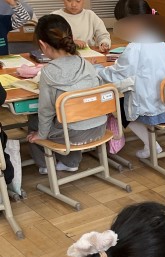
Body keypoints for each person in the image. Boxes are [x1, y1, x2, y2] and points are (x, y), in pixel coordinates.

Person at [95, 0, 165, 159]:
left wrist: (97, 70)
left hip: (156, 111)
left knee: (120, 109)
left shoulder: (136, 46)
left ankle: (151, 146)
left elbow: (118, 74)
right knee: (161, 99)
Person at [26, 14, 106, 175]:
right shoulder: (86, 63)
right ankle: (71, 162)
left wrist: (41, 135)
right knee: (71, 116)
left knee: (35, 121)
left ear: (42, 45)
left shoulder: (48, 72)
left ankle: (45, 165)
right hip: (99, 127)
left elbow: (45, 111)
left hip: (74, 133)